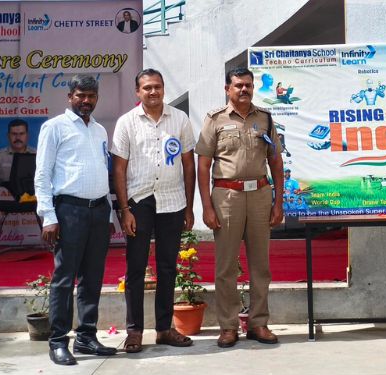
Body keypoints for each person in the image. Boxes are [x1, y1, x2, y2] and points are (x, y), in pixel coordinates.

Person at [196, 67, 284, 348]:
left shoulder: (265, 119)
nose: (244, 89)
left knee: (261, 266)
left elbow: (276, 161)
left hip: (259, 195)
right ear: (227, 89)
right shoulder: (215, 120)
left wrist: (278, 202)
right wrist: (206, 207)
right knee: (226, 266)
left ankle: (259, 323)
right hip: (227, 197)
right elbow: (203, 165)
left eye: (248, 85)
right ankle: (228, 326)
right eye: (238, 85)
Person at [110, 68, 197, 353]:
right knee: (136, 267)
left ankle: (164, 329)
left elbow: (188, 164)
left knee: (168, 267)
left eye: (157, 86)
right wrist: (125, 209)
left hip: (173, 201)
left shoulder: (180, 119)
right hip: (139, 201)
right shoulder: (127, 122)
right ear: (138, 92)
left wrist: (189, 206)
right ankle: (134, 331)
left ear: (163, 88)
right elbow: (119, 169)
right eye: (147, 87)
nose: (153, 92)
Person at [34, 75, 116, 365]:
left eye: (91, 96)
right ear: (70, 96)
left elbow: (102, 171)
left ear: (97, 98)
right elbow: (42, 174)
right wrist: (48, 216)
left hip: (98, 211)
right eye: (80, 95)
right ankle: (58, 342)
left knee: (93, 277)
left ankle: (86, 337)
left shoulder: (99, 130)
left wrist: (108, 212)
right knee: (64, 279)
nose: (86, 101)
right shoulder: (54, 127)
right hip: (69, 211)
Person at [0, 119, 35, 188]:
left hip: (32, 194)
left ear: (27, 135)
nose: (18, 138)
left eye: (21, 134)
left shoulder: (38, 156)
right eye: (14, 134)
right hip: (6, 194)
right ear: (8, 136)